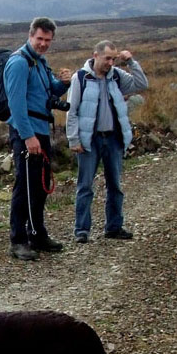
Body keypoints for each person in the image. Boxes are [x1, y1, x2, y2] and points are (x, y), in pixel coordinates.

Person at [65, 40, 148, 242]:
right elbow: (72, 111)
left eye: (114, 58)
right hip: (89, 140)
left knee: (115, 186)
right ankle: (81, 231)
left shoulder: (117, 76)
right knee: (85, 186)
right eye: (107, 58)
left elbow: (142, 84)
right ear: (96, 55)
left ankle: (114, 227)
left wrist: (131, 62)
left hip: (113, 139)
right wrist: (74, 139)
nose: (110, 62)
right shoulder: (81, 78)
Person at [4, 16, 73, 261]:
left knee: (40, 187)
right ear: (30, 35)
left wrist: (63, 84)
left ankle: (37, 234)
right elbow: (16, 104)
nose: (43, 43)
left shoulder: (39, 61)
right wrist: (27, 136)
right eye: (40, 39)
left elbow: (47, 90)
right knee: (24, 187)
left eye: (48, 40)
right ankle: (18, 240)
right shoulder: (19, 63)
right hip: (28, 134)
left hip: (40, 131)